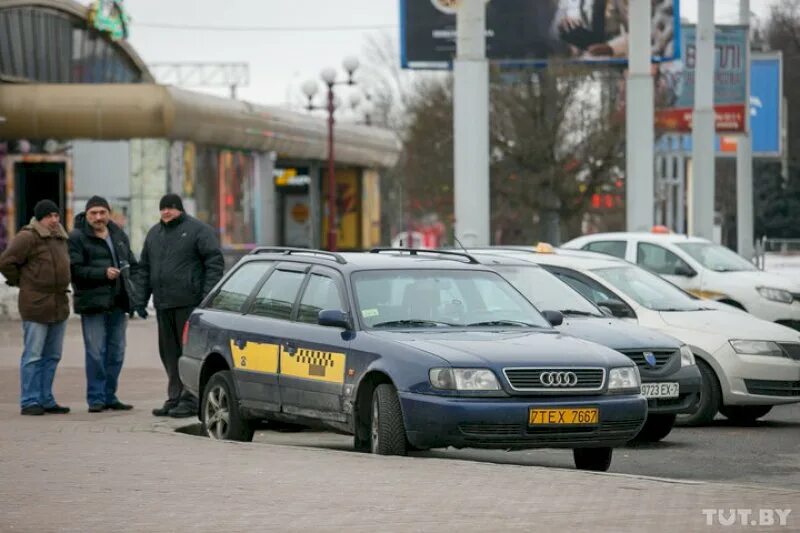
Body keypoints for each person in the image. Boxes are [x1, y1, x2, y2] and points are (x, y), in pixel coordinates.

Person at [138, 194, 224, 418]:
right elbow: (144, 269)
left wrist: (206, 298)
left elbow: (214, 263)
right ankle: (175, 396)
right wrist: (140, 299)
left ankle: (191, 398)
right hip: (163, 304)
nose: (166, 212)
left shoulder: (198, 230)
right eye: (163, 208)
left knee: (189, 352)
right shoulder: (154, 234)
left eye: (171, 208)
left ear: (180, 209)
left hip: (190, 305)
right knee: (169, 354)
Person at [68, 196, 147, 413]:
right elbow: (75, 270)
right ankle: (96, 398)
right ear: (87, 214)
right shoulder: (77, 237)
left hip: (119, 303)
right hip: (93, 304)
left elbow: (133, 263)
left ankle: (110, 395)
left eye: (102, 212)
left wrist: (136, 289)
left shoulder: (118, 234)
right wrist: (102, 273)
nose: (98, 217)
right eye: (93, 213)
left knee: (117, 352)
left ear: (109, 213)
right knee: (95, 352)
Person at [0, 200, 71, 416]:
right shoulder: (27, 236)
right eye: (49, 216)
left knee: (53, 355)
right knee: (33, 355)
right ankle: (29, 400)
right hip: (36, 304)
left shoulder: (60, 237)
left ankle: (46, 398)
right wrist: (22, 282)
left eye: (56, 215)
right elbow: (5, 262)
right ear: (40, 218)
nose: (54, 219)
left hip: (59, 304)